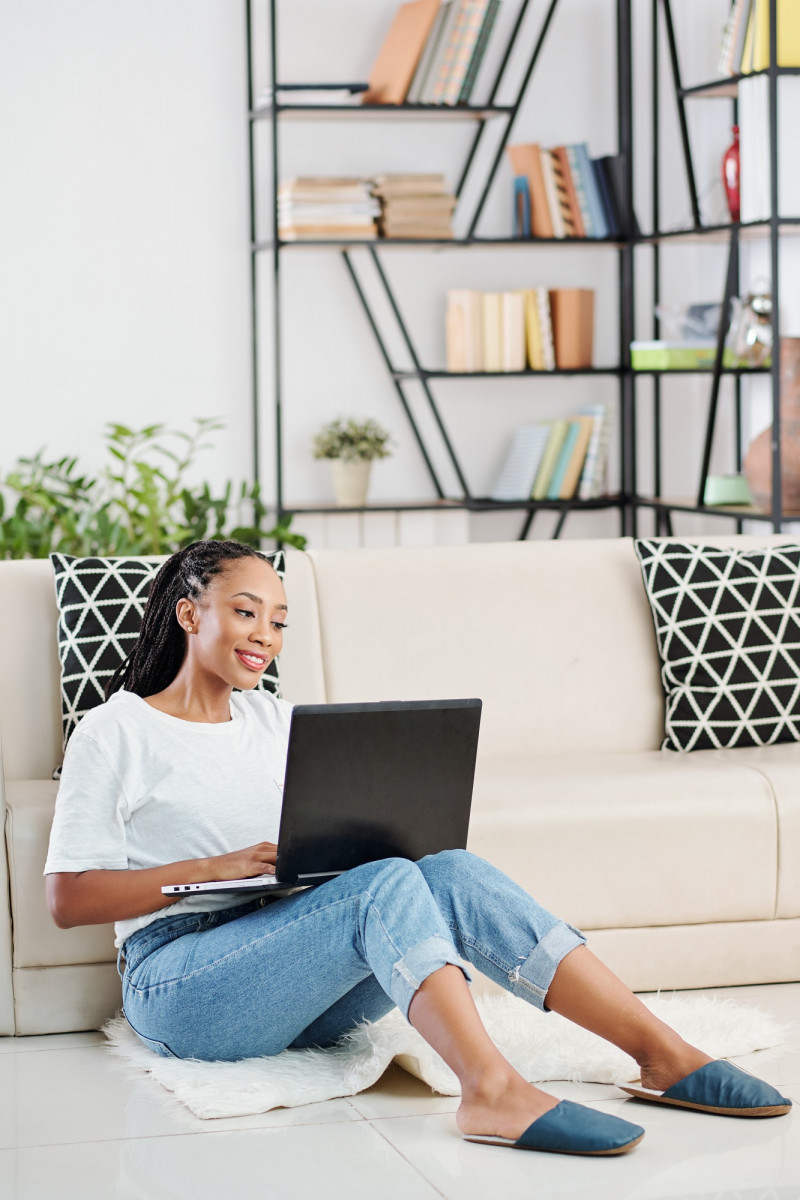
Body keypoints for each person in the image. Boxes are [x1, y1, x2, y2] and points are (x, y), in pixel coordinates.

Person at [44, 540, 791, 1157]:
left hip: (291, 969)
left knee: (446, 872)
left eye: (278, 623)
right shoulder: (120, 731)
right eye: (245, 614)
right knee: (382, 887)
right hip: (180, 986)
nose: (263, 638)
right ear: (188, 613)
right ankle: (491, 1091)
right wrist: (215, 867)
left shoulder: (275, 721)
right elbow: (69, 900)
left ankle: (664, 1055)